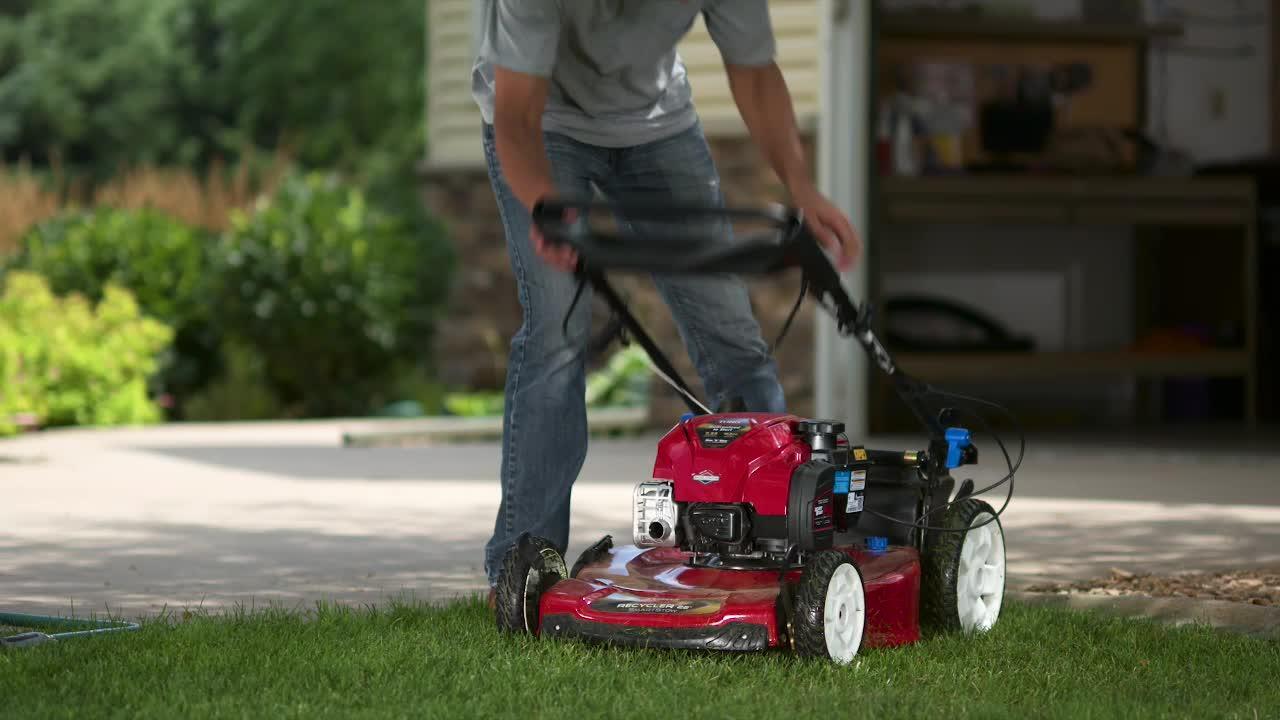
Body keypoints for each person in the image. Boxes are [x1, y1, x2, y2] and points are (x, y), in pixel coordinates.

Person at [471, 0, 861, 603]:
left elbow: (755, 71)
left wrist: (801, 187)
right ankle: (524, 566)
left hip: (658, 128)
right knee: (556, 331)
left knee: (731, 335)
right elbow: (518, 112)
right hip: (544, 127)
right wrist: (548, 206)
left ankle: (786, 545)